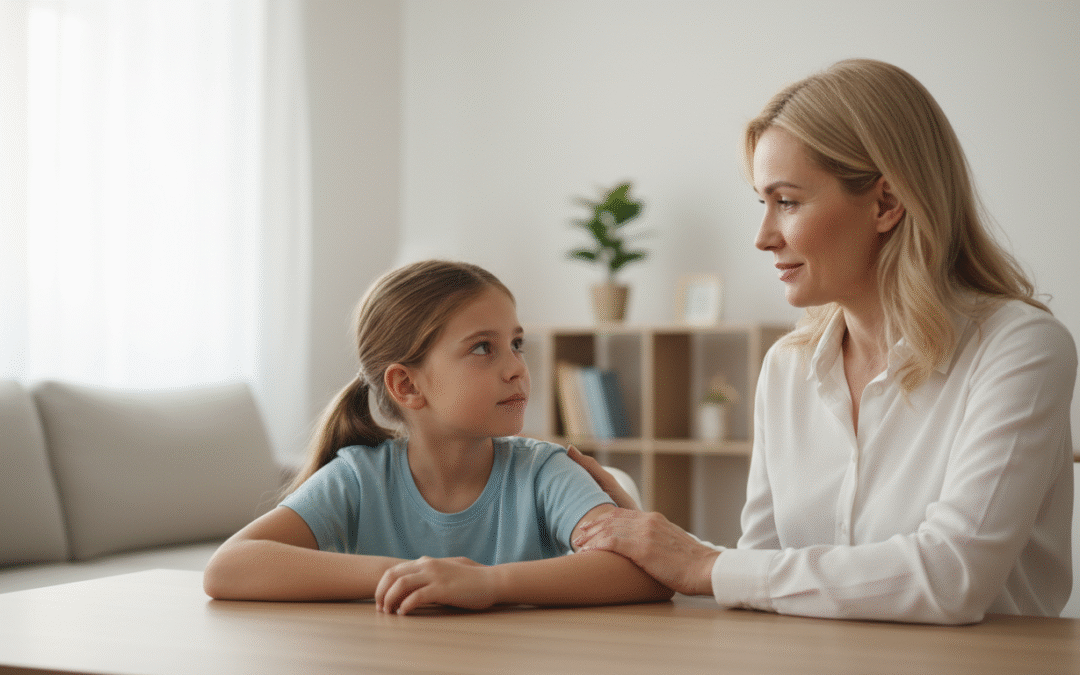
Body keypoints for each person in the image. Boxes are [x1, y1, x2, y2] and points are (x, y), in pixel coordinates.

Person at [570, 58, 1076, 625]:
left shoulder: (1021, 349)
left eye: (786, 201)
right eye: (762, 203)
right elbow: (762, 573)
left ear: (885, 204)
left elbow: (951, 576)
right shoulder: (786, 367)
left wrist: (702, 564)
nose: (763, 237)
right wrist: (646, 541)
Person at [203, 259, 671, 614]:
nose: (516, 368)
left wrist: (488, 585)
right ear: (407, 385)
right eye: (483, 348)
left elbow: (647, 572)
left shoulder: (545, 472)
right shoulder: (359, 478)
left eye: (516, 344)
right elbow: (228, 568)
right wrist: (409, 576)